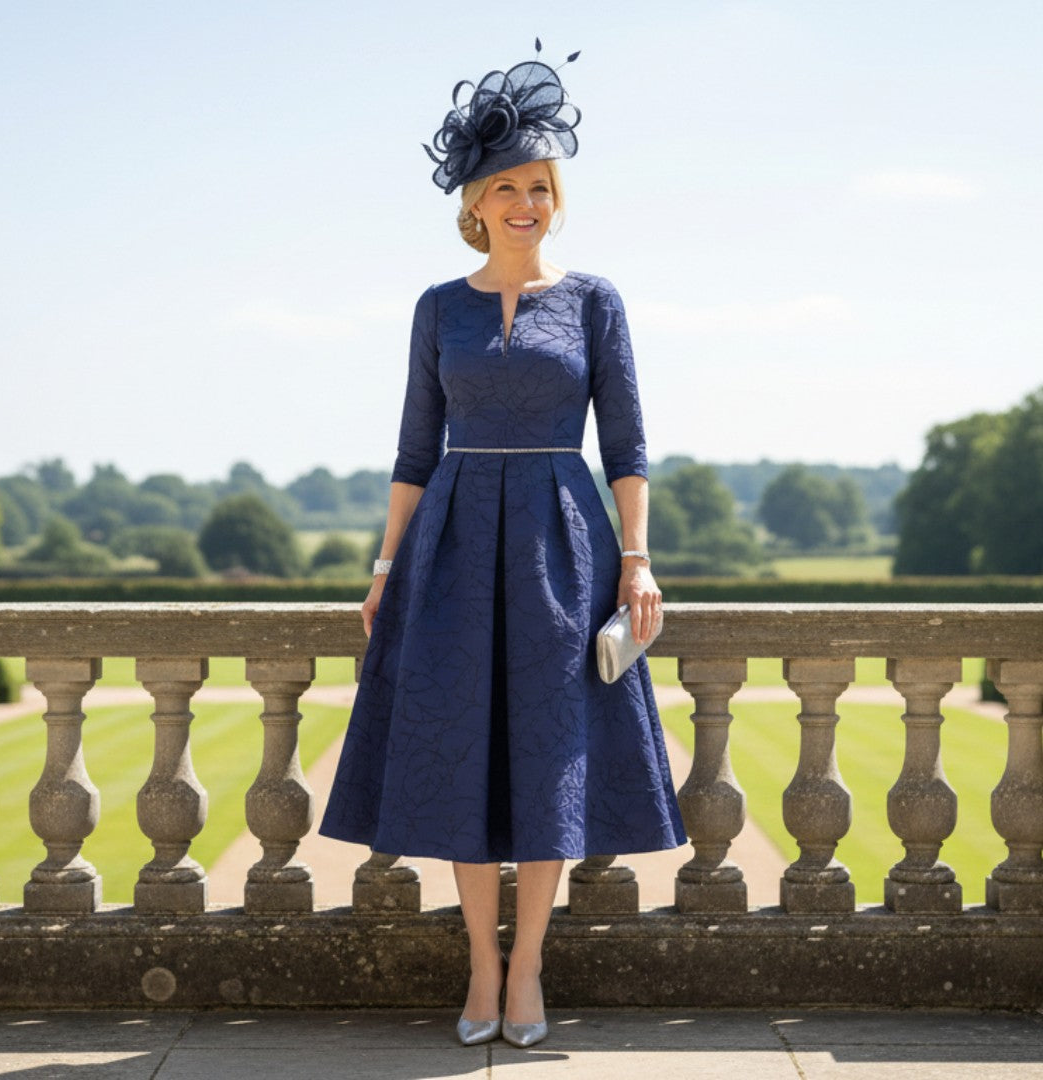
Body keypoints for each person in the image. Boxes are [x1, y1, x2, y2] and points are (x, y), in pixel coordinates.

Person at [318, 41, 687, 1049]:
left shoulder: (595, 301)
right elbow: (410, 450)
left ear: (554, 200)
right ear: (474, 203)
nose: (525, 201)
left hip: (562, 547)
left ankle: (528, 969)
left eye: (540, 186)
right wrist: (387, 569)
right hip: (449, 547)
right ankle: (479, 965)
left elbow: (628, 444)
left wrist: (638, 561)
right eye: (506, 186)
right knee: (459, 761)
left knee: (551, 758)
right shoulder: (438, 307)